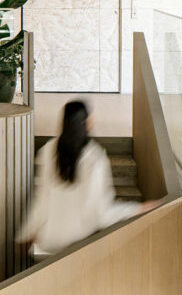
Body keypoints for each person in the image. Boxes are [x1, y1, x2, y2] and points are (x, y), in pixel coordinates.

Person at [17, 100, 159, 257]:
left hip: (51, 240)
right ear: (87, 123)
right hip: (80, 244)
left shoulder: (48, 151)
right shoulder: (95, 158)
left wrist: (27, 233)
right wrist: (136, 209)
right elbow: (100, 212)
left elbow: (42, 199)